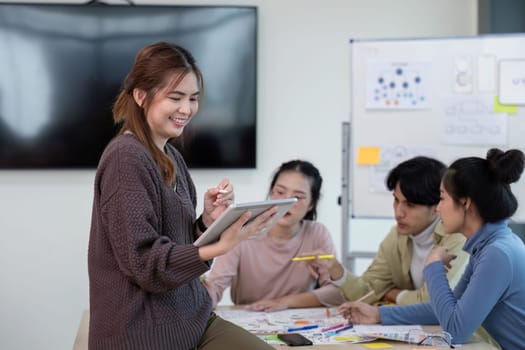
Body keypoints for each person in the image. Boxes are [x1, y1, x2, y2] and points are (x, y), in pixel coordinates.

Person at [87, 42, 277, 350]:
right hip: (143, 333)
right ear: (141, 95)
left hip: (191, 317)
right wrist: (220, 246)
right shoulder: (126, 158)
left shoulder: (171, 156)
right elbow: (144, 262)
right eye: (175, 98)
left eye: (193, 99)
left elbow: (176, 242)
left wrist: (206, 222)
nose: (187, 109)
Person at [341, 149, 525, 349]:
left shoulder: (496, 253)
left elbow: (455, 332)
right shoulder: (487, 246)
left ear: (465, 203)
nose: (438, 208)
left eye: (442, 198)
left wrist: (434, 265)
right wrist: (378, 314)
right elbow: (446, 309)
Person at [305, 156, 469, 305]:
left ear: (436, 208)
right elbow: (367, 292)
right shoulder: (398, 235)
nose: (398, 212)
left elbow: (433, 303)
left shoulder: (458, 238)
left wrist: (393, 294)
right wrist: (335, 269)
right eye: (396, 200)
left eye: (410, 205)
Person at [204, 160, 346, 312]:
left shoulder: (317, 233)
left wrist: (285, 302)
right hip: (250, 321)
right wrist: (196, 296)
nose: (288, 201)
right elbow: (215, 286)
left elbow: (337, 293)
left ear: (311, 204)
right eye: (280, 192)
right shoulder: (243, 232)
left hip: (296, 323)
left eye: (298, 197)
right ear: (271, 193)